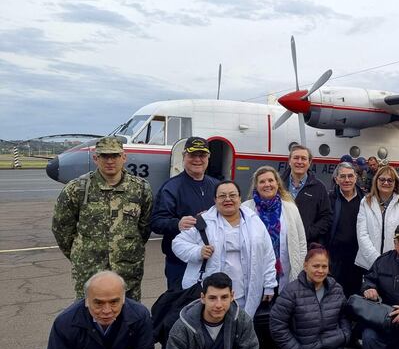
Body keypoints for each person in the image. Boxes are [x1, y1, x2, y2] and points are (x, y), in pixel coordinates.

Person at [52, 136, 153, 300]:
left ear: (124, 157)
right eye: (104, 156)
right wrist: (81, 254)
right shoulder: (77, 188)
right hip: (90, 271)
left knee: (129, 317)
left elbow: (145, 227)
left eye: (115, 155)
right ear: (95, 158)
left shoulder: (140, 188)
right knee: (89, 317)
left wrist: (128, 249)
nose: (110, 161)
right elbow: (61, 228)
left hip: (127, 270)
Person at [171, 180, 276, 317]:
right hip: (212, 295)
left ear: (240, 198)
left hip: (244, 292)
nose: (228, 199)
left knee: (240, 327)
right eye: (222, 196)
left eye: (232, 195)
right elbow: (178, 243)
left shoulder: (254, 221)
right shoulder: (203, 221)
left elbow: (267, 254)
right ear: (215, 199)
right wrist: (198, 251)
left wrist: (269, 284)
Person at [270, 245, 353, 349]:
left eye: (324, 266)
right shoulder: (291, 291)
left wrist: (344, 335)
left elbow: (344, 315)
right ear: (305, 265)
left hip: (329, 345)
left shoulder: (336, 288)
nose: (320, 270)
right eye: (316, 266)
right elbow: (277, 325)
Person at [243, 166, 308, 349]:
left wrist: (300, 271)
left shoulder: (289, 207)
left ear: (277, 183)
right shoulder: (247, 208)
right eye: (262, 181)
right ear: (256, 185)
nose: (267, 185)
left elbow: (300, 240)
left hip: (286, 274)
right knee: (259, 322)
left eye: (271, 180)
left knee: (281, 319)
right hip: (257, 276)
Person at [151, 137, 219, 290]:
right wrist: (177, 223)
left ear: (208, 158)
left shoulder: (216, 186)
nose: (197, 160)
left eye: (202, 155)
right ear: (184, 157)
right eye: (192, 155)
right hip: (180, 263)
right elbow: (156, 222)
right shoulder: (171, 187)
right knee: (179, 305)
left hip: (211, 261)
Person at [355, 165, 399, 271]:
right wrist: (377, 260)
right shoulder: (365, 202)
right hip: (368, 263)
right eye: (382, 179)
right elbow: (362, 234)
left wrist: (391, 260)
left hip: (395, 263)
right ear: (376, 181)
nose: (386, 183)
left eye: (390, 180)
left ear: (395, 183)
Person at [328, 162, 366, 297]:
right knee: (335, 294)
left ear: (356, 178)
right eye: (342, 176)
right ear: (336, 179)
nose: (347, 180)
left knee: (356, 295)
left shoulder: (366, 200)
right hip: (335, 258)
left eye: (350, 176)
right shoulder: (329, 199)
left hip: (358, 258)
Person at [280, 145, 332, 245]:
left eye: (304, 158)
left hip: (306, 245)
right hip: (280, 243)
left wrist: (308, 233)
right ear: (289, 161)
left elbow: (326, 217)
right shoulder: (278, 184)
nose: (299, 162)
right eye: (296, 158)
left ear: (309, 163)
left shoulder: (319, 187)